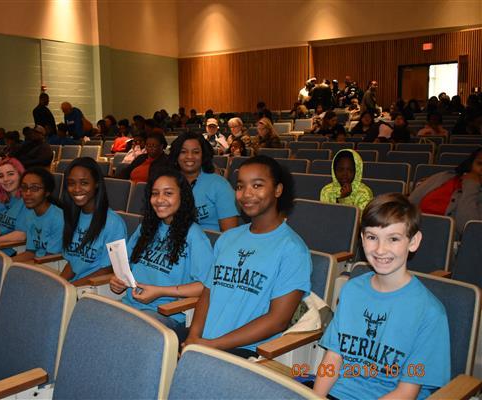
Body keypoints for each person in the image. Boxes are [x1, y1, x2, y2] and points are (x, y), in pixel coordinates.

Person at [313, 193, 450, 400]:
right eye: (372, 237)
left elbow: (407, 392)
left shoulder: (430, 312)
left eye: (393, 239)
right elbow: (333, 358)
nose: (380, 249)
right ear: (362, 239)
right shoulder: (352, 290)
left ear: (413, 241)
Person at [183, 156, 312, 358]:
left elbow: (278, 320)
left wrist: (212, 345)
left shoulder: (293, 250)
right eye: (240, 186)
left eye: (257, 185)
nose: (246, 194)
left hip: (246, 350)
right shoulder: (228, 238)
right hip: (203, 342)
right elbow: (207, 294)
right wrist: (193, 336)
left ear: (278, 190)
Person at [109, 167, 213, 341]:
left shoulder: (194, 235)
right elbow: (127, 268)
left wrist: (160, 291)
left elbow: (205, 287)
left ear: (182, 197)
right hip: (130, 306)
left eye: (168, 193)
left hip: (166, 314)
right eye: (155, 193)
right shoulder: (146, 228)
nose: (159, 199)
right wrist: (118, 281)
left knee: (124, 333)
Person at [60, 158, 127, 286]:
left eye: (84, 183)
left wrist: (71, 288)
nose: (76, 189)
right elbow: (73, 262)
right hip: (75, 286)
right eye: (71, 183)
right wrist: (59, 284)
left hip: (94, 288)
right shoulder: (73, 216)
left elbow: (109, 269)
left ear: (96, 183)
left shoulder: (114, 223)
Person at [170, 132, 239, 232]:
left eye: (196, 152)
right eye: (183, 152)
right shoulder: (167, 183)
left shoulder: (219, 185)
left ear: (203, 155)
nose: (189, 156)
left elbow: (230, 233)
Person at [409, 148, 482, 235]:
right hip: (413, 230)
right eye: (480, 164)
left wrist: (471, 186)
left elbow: (468, 229)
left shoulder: (473, 190)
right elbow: (409, 205)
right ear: (470, 164)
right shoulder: (444, 176)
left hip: (443, 239)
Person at [12, 167, 64, 262]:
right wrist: (7, 262)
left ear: (47, 192)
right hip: (36, 263)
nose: (27, 193)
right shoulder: (30, 214)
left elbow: (50, 259)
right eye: (24, 188)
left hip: (51, 265)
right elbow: (30, 252)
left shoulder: (58, 218)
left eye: (35, 188)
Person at [0, 158, 29, 256]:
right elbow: (2, 230)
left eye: (10, 174)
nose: (5, 179)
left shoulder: (27, 201)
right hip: (1, 247)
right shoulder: (3, 201)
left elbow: (21, 235)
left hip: (18, 250)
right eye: (1, 176)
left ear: (20, 175)